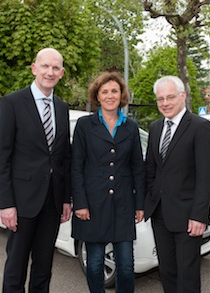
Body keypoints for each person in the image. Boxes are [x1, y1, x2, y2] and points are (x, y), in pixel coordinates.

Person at [0, 48, 72, 292]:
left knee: (44, 266)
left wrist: (67, 198)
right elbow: (2, 158)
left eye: (55, 68)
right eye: (45, 66)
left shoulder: (62, 107)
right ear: (34, 68)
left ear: (61, 73)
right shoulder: (12, 103)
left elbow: (63, 158)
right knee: (16, 267)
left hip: (52, 203)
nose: (50, 72)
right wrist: (6, 204)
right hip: (21, 201)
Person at [71, 71, 145, 293]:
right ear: (97, 96)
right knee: (94, 264)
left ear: (122, 95)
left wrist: (140, 204)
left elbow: (137, 168)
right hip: (93, 205)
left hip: (123, 204)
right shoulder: (85, 125)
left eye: (115, 91)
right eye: (105, 92)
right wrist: (80, 203)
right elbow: (76, 167)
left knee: (126, 265)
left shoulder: (130, 127)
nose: (110, 95)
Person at [144, 76, 210, 293]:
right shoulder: (156, 127)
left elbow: (206, 176)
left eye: (170, 97)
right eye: (160, 99)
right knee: (166, 272)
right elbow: (152, 170)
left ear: (182, 96)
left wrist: (199, 215)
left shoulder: (200, 127)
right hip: (160, 215)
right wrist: (149, 200)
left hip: (188, 218)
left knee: (188, 275)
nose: (164, 103)